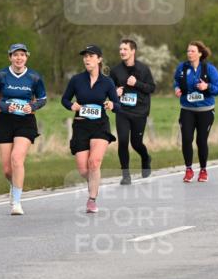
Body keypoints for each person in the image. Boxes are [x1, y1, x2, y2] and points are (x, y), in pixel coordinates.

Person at [0, 43, 48, 215]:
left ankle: (17, 203)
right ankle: (14, 185)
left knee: (17, 158)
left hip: (26, 121)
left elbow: (43, 98)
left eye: (22, 55)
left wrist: (32, 106)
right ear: (10, 57)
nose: (19, 58)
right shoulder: (0, 76)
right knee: (7, 169)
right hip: (5, 120)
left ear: (27, 57)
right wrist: (4, 106)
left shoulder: (34, 77)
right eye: (15, 55)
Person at [61, 45, 119, 213]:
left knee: (94, 163)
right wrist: (72, 105)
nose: (87, 59)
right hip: (81, 125)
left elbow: (118, 106)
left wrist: (111, 104)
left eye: (91, 56)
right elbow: (64, 99)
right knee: (83, 169)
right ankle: (94, 180)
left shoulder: (107, 82)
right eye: (85, 56)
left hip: (100, 125)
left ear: (99, 59)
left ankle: (92, 199)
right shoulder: (76, 80)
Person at [174, 41, 218, 183]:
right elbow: (176, 81)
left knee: (201, 140)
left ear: (200, 53)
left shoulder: (210, 69)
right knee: (186, 139)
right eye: (188, 51)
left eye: (192, 51)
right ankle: (188, 169)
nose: (189, 53)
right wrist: (176, 89)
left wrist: (206, 86)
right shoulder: (182, 68)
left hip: (205, 110)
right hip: (187, 110)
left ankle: (203, 170)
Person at [109, 38, 155, 185]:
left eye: (125, 49)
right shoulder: (115, 71)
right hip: (122, 111)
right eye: (120, 49)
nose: (122, 52)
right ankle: (126, 175)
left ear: (133, 51)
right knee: (122, 141)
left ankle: (145, 158)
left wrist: (137, 84)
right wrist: (115, 92)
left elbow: (151, 88)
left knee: (136, 143)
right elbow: (109, 90)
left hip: (140, 112)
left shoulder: (143, 69)